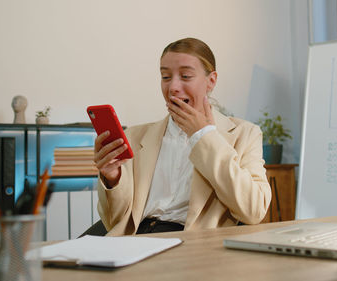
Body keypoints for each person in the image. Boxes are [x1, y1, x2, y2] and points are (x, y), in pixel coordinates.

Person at [94, 38, 271, 236]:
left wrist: (204, 136)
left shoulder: (245, 134)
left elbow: (254, 211)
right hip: (135, 238)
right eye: (166, 77)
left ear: (211, 81)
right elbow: (114, 222)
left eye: (185, 76)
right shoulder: (135, 136)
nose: (173, 88)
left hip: (189, 243)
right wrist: (113, 179)